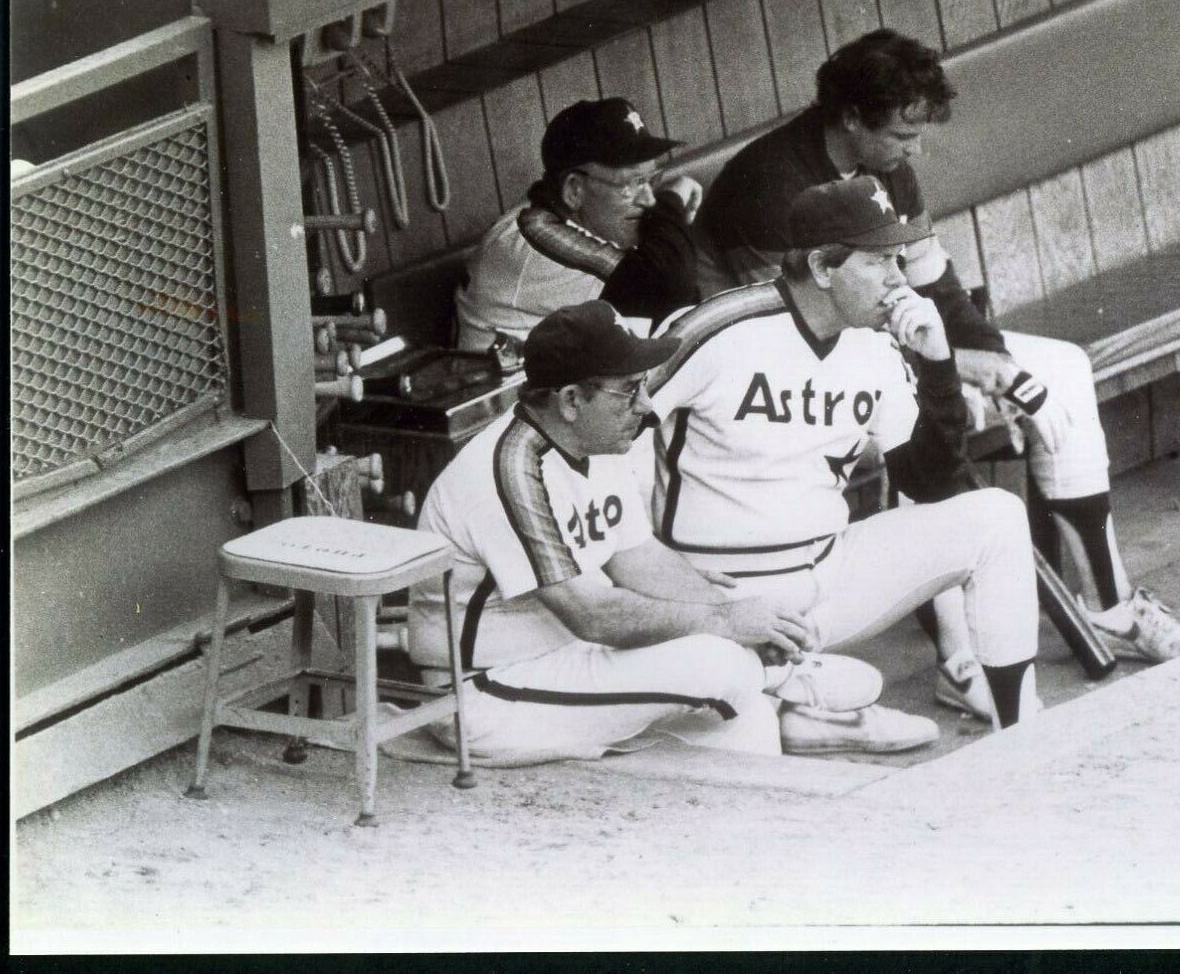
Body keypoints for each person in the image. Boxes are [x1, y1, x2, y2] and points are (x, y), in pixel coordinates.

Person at [694, 29, 1180, 681]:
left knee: (1060, 370)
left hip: (889, 340)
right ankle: (960, 659)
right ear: (851, 117)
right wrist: (950, 367)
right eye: (903, 134)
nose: (916, 150)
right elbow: (814, 325)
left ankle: (1110, 605)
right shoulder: (772, 183)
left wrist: (991, 357)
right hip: (790, 372)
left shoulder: (887, 171)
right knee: (916, 429)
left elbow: (935, 281)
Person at [645, 177, 1044, 753]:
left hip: (825, 580)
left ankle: (1022, 735)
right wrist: (672, 595)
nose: (898, 281)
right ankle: (796, 705)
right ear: (823, 267)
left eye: (900, 260)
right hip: (726, 598)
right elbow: (608, 438)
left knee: (997, 517)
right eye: (880, 262)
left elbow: (930, 484)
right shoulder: (715, 329)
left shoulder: (875, 348)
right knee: (751, 768)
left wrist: (938, 364)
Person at [404, 300, 886, 766]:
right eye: (630, 389)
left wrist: (743, 621)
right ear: (571, 399)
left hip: (562, 663)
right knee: (722, 666)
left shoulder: (595, 442)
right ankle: (783, 681)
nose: (648, 404)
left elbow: (639, 560)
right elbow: (589, 614)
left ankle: (776, 683)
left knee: (745, 721)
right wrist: (727, 625)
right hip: (481, 692)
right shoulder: (511, 469)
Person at [454, 97, 703, 353]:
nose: (649, 199)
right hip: (506, 389)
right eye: (633, 183)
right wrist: (671, 202)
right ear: (574, 190)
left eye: (651, 180)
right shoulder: (532, 233)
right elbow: (670, 286)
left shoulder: (570, 215)